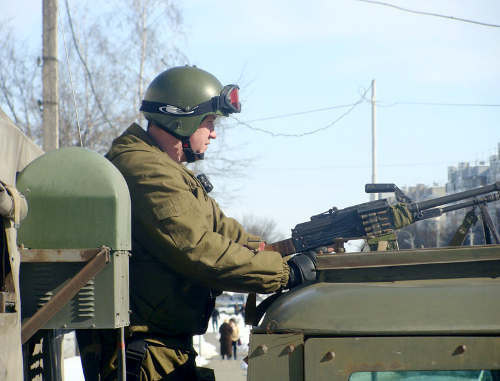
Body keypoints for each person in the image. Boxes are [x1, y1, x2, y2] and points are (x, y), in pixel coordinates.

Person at [78, 65, 316, 381]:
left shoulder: (169, 171)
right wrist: (284, 273)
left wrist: (295, 247)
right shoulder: (145, 171)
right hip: (146, 354)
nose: (213, 133)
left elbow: (230, 236)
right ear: (182, 118)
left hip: (162, 348)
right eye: (209, 123)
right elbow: (199, 250)